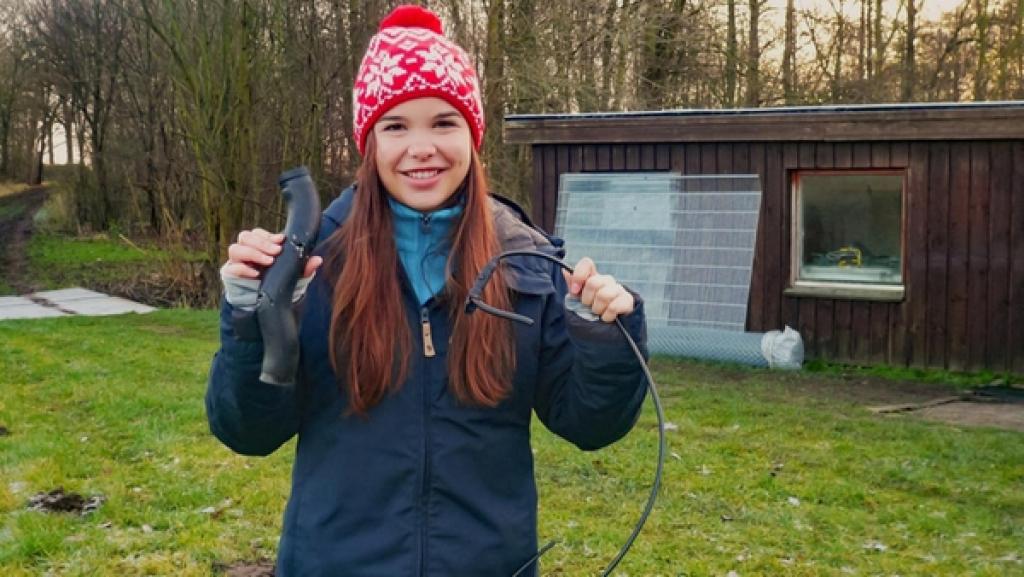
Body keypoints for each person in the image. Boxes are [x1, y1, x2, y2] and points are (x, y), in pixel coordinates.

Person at [206, 5, 648, 576]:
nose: (421, 148)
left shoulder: (528, 268)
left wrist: (606, 337)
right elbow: (248, 432)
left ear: (472, 135)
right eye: (396, 126)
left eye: (444, 122)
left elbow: (590, 426)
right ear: (369, 143)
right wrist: (253, 313)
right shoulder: (312, 267)